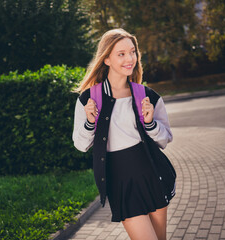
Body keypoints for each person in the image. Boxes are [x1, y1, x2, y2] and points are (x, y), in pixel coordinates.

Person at [72, 28, 175, 240]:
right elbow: (81, 145)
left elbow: (165, 139)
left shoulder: (147, 96)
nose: (130, 58)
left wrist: (150, 123)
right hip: (121, 181)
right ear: (106, 59)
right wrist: (91, 122)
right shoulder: (88, 100)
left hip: (152, 173)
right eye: (121, 54)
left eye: (132, 52)